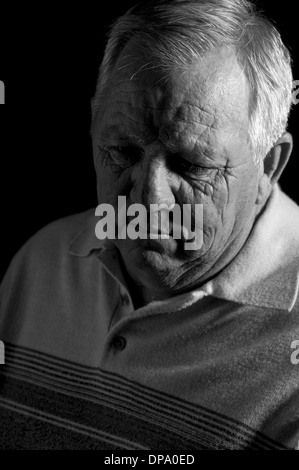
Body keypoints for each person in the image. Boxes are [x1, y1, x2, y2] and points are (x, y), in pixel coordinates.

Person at [0, 0, 298, 450]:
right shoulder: (39, 264)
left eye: (190, 164)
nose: (148, 199)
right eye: (122, 152)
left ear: (269, 166)